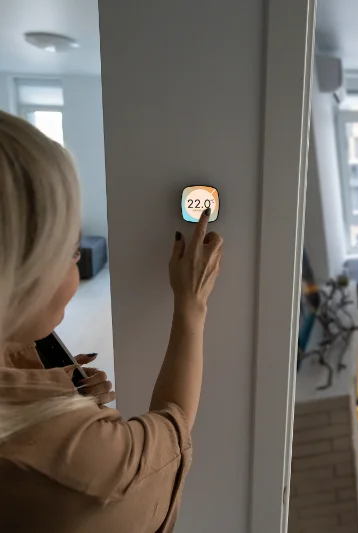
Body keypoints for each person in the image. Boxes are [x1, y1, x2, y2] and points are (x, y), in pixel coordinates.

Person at [0, 110, 223, 532]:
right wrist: (191, 305)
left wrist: (47, 387)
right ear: (21, 271)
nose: (78, 260)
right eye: (70, 249)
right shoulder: (74, 458)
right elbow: (171, 431)